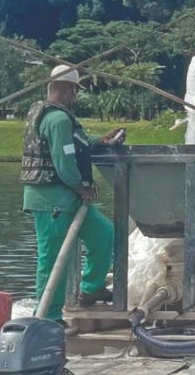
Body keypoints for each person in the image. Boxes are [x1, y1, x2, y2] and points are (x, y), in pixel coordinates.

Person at [22, 65, 125, 323]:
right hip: (51, 201)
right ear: (68, 89)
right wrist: (82, 187)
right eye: (75, 91)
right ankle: (49, 316)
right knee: (54, 258)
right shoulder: (56, 120)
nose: (75, 96)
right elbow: (64, 163)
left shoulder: (62, 118)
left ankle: (91, 289)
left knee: (104, 233)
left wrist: (102, 141)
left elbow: (79, 143)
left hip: (70, 199)